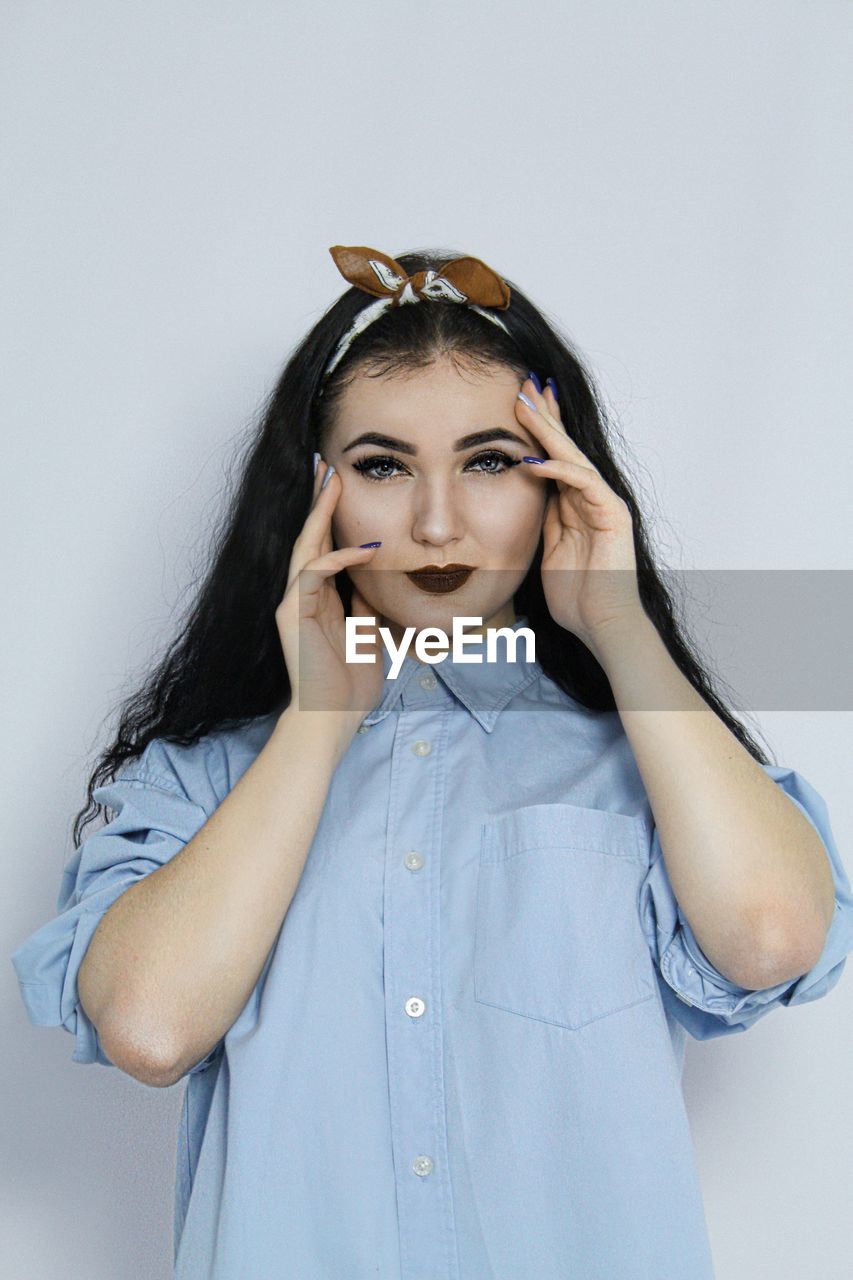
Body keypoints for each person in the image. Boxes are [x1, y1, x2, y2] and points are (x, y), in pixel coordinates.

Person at [11, 244, 853, 1280]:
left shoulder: (645, 770)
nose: (438, 520)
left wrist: (619, 624)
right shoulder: (204, 780)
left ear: (559, 482)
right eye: (382, 465)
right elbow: (148, 1026)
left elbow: (771, 937)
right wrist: (319, 719)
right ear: (314, 494)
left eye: (490, 460)